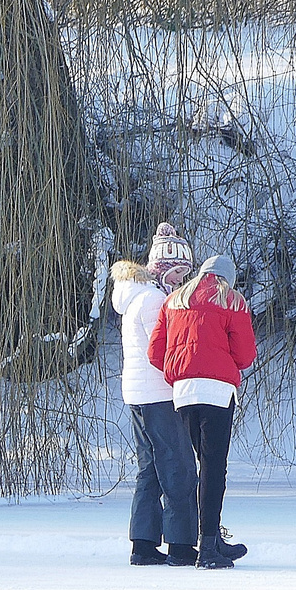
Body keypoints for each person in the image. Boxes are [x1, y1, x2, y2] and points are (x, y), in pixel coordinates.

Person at [147, 254, 256, 569]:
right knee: (213, 467)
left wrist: (179, 370)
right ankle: (208, 547)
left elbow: (155, 352)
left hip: (183, 392)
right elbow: (246, 354)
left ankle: (211, 540)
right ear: (227, 278)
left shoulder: (174, 300)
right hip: (218, 392)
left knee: (197, 464)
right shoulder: (232, 302)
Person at [110, 223, 199, 566]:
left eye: (184, 274)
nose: (180, 282)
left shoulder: (137, 296)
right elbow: (162, 350)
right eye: (177, 273)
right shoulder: (153, 301)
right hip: (157, 392)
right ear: (162, 268)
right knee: (178, 465)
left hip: (138, 391)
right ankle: (180, 543)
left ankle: (144, 543)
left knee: (150, 466)